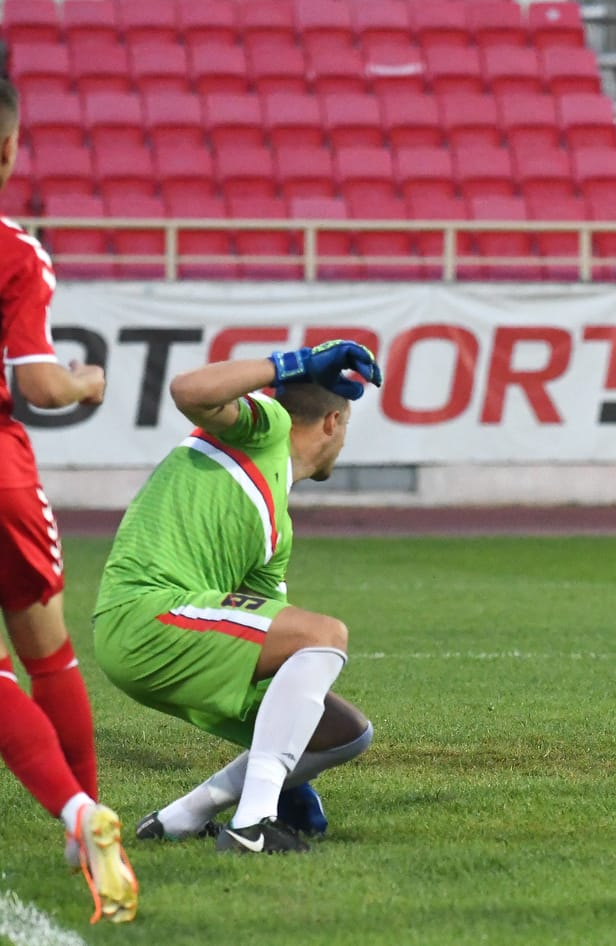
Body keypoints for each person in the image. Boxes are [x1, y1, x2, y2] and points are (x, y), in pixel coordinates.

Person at [93, 340, 383, 854]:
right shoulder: (266, 425)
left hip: (167, 635)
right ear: (333, 422)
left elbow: (281, 645)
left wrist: (292, 764)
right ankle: (252, 825)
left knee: (343, 731)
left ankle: (182, 817)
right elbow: (188, 389)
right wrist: (291, 364)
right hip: (145, 614)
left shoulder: (277, 528)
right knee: (326, 634)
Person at [0, 76, 139, 925]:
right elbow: (43, 385)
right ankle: (88, 826)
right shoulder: (17, 251)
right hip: (6, 475)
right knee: (47, 655)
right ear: (10, 149)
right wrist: (88, 381)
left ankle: (78, 812)